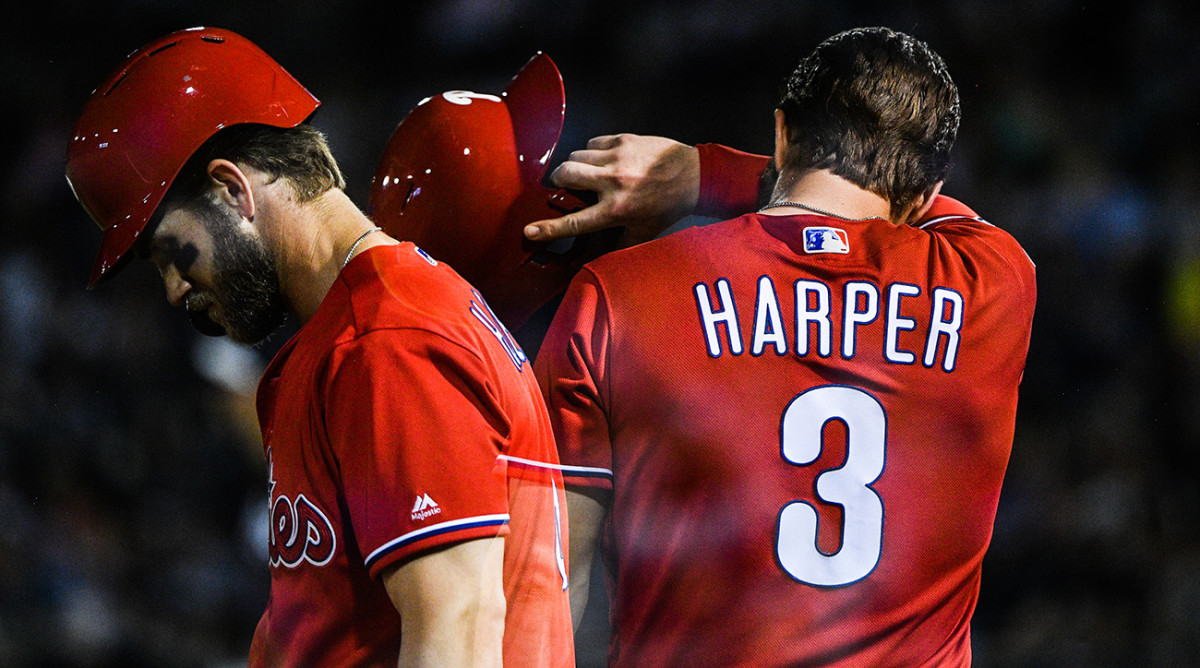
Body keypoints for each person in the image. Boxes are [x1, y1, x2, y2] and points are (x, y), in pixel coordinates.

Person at [65, 27, 572, 667]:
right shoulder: (347, 339)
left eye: (168, 250)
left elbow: (458, 627)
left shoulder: (390, 338)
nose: (172, 288)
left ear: (232, 190)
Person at [534, 26, 1036, 667]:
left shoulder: (622, 291)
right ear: (928, 196)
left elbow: (549, 573)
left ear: (780, 133)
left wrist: (696, 173)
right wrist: (705, 174)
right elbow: (957, 217)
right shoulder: (993, 283)